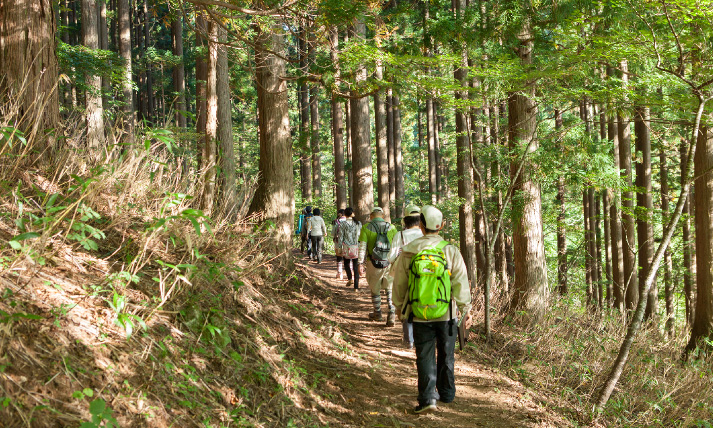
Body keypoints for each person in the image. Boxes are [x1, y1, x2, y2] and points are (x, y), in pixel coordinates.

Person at [391, 205, 473, 414]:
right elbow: (460, 283)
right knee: (446, 354)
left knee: (425, 355)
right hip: (447, 314)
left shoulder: (410, 250)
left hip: (419, 314)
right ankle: (447, 393)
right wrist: (465, 310)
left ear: (421, 225)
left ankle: (428, 398)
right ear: (442, 225)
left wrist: (400, 307)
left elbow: (399, 283)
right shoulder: (450, 250)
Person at [387, 204, 423, 349]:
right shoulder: (424, 234)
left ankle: (409, 339)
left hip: (403, 273)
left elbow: (391, 257)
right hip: (423, 273)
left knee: (405, 304)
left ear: (405, 221)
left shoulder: (400, 235)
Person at [358, 207, 398, 325]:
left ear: (371, 216)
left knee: (375, 289)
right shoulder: (392, 228)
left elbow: (362, 247)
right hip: (389, 263)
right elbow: (396, 247)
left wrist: (360, 263)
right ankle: (391, 314)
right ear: (383, 216)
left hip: (373, 262)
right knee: (389, 288)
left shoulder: (366, 228)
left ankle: (378, 313)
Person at [339, 207, 361, 289]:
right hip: (355, 247)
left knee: (346, 264)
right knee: (356, 266)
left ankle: (350, 278)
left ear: (345, 214)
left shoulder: (343, 224)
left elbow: (341, 236)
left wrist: (339, 247)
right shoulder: (358, 223)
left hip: (346, 247)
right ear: (352, 213)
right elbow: (359, 235)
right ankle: (356, 287)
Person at [333, 209, 347, 279]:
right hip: (348, 242)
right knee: (348, 258)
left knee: (339, 257)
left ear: (340, 214)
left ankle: (339, 273)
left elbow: (333, 232)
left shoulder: (337, 221)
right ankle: (349, 274)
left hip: (338, 242)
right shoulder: (350, 221)